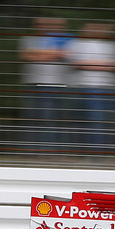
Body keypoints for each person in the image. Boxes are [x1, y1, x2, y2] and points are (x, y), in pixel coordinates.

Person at [65, 22, 115, 149]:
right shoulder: (76, 44)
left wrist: (89, 63)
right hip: (82, 87)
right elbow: (75, 63)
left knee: (105, 120)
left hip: (108, 88)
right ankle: (88, 150)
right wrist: (105, 64)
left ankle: (103, 150)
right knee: (86, 120)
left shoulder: (114, 45)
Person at [19, 17, 71, 151]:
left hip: (59, 84)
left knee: (54, 118)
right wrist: (54, 54)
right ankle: (31, 150)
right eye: (40, 24)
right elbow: (25, 56)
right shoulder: (28, 39)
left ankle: (51, 150)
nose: (44, 27)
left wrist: (39, 55)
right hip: (34, 83)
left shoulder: (66, 40)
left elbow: (67, 55)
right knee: (32, 117)